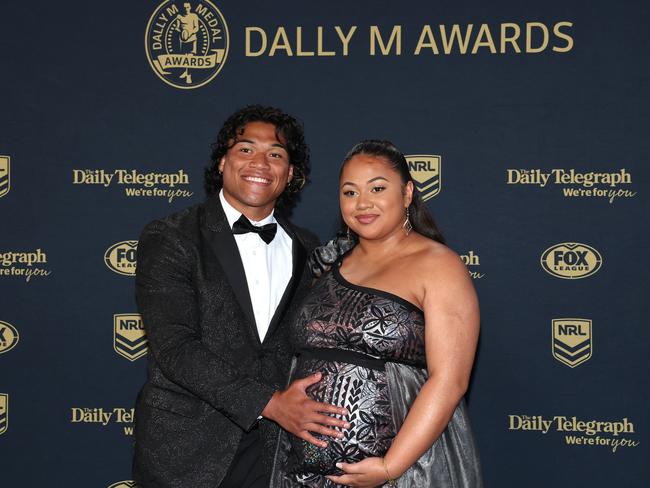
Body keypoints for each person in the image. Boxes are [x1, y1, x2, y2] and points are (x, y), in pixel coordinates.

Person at [132, 105, 348, 488]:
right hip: (186, 453)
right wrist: (271, 403)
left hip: (276, 455)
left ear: (291, 174)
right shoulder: (172, 237)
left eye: (276, 154)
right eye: (245, 149)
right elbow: (175, 347)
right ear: (221, 162)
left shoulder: (309, 248)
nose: (260, 163)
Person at [272, 140, 483, 487]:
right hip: (303, 472)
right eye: (350, 192)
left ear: (408, 193)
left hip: (401, 474)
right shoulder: (329, 264)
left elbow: (450, 380)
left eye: (378, 188)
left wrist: (390, 466)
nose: (363, 203)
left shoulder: (439, 265)